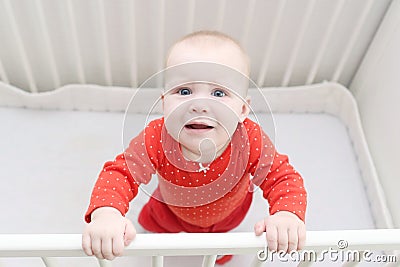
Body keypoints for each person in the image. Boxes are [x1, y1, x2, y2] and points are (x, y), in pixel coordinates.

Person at [82, 30, 307, 265]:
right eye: (184, 91)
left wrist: (286, 214)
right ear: (164, 103)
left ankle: (217, 250)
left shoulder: (249, 139)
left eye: (219, 93)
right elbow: (120, 173)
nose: (199, 105)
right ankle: (156, 237)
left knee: (219, 244)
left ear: (242, 110)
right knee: (153, 224)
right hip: (168, 210)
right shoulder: (157, 137)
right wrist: (106, 213)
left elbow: (283, 177)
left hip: (227, 217)